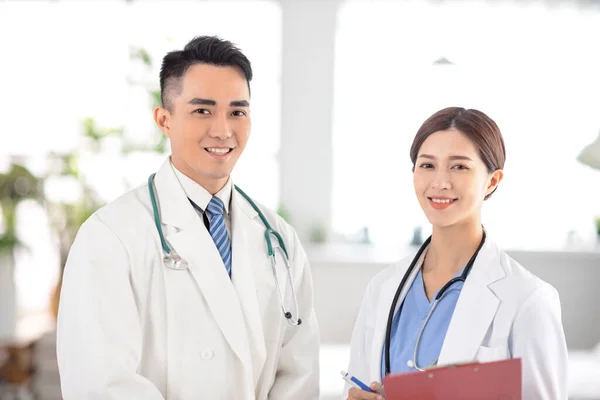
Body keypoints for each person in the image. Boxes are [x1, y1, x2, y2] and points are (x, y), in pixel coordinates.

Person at [56, 35, 320, 400]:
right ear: (164, 119)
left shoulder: (279, 238)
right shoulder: (110, 236)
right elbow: (100, 383)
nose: (223, 130)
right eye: (202, 110)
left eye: (237, 112)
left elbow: (299, 371)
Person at [344, 107, 567, 400]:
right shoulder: (382, 288)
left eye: (459, 166)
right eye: (427, 166)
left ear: (492, 181)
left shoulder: (528, 298)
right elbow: (356, 385)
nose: (440, 182)